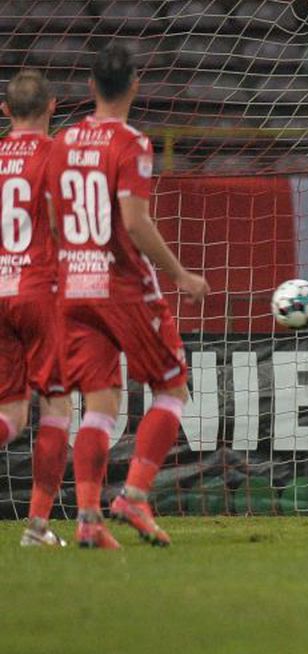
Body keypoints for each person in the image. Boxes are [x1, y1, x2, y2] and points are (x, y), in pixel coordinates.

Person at [48, 43, 210, 549]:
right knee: (172, 387)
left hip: (73, 284)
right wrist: (181, 273)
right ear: (135, 86)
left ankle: (89, 519)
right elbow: (136, 224)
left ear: (91, 86)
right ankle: (135, 495)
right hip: (121, 286)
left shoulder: (63, 139)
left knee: (99, 404)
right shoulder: (133, 143)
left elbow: (54, 219)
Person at [0, 71, 72, 547]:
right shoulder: (54, 155)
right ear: (52, 105)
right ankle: (38, 527)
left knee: (11, 413)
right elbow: (58, 223)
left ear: (6, 111)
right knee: (56, 408)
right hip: (39, 288)